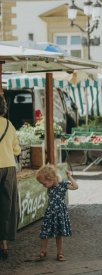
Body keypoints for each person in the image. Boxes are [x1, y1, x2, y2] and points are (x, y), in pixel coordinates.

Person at [34, 165, 78, 262]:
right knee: (44, 233)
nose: (43, 186)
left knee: (59, 234)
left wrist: (70, 176)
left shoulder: (63, 185)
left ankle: (60, 253)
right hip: (50, 213)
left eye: (44, 184)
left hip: (60, 214)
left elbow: (75, 187)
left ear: (51, 179)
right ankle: (43, 251)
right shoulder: (50, 186)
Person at [0, 95, 21, 260]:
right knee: (7, 207)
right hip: (9, 168)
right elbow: (17, 150)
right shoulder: (9, 125)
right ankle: (4, 244)